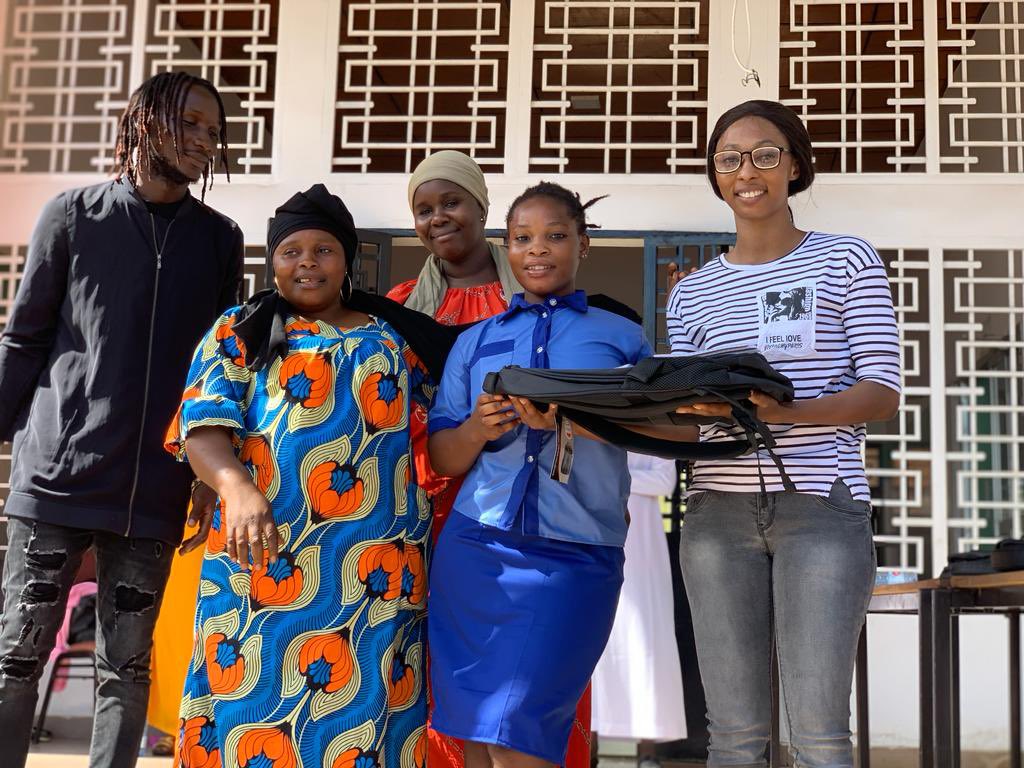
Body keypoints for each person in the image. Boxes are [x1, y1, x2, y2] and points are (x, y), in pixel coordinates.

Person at [0, 70, 241, 768]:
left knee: (127, 669)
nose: (203, 142)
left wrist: (204, 470)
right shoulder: (73, 214)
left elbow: (214, 370)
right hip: (59, 476)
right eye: (189, 124)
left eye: (212, 132)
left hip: (157, 491)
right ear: (144, 122)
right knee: (16, 655)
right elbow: (23, 339)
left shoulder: (219, 239)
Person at [666, 100, 901, 767]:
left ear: (795, 165)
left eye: (766, 154)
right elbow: (689, 417)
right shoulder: (691, 295)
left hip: (821, 511)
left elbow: (881, 392)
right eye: (730, 158)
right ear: (715, 174)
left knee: (818, 735)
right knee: (735, 738)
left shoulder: (846, 259)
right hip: (715, 517)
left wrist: (776, 414)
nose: (748, 171)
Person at [165, 184, 430, 768]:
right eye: (291, 251)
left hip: (374, 573)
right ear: (272, 262)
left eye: (324, 250)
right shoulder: (242, 330)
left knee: (364, 721)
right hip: (264, 558)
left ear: (348, 262)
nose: (307, 262)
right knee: (246, 712)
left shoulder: (392, 339)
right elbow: (201, 427)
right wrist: (235, 488)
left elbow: (430, 435)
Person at [427, 182, 652, 768]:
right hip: (475, 551)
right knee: (473, 731)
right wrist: (478, 428)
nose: (539, 250)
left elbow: (655, 435)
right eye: (523, 238)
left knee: (522, 729)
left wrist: (569, 420)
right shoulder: (475, 342)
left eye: (556, 236)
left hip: (577, 553)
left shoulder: (623, 337)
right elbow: (443, 455)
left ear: (583, 243)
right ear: (507, 248)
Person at [391, 152, 594, 768]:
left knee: (533, 673)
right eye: (424, 210)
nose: (438, 219)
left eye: (451, 203)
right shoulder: (399, 305)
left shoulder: (538, 305)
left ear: (483, 208)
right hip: (427, 516)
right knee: (446, 673)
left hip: (531, 513)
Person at [591, 453, 686, 763]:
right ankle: (588, 746)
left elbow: (665, 481)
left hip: (643, 548)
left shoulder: (656, 420)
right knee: (593, 643)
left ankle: (647, 752)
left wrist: (610, 477)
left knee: (645, 639)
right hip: (596, 536)